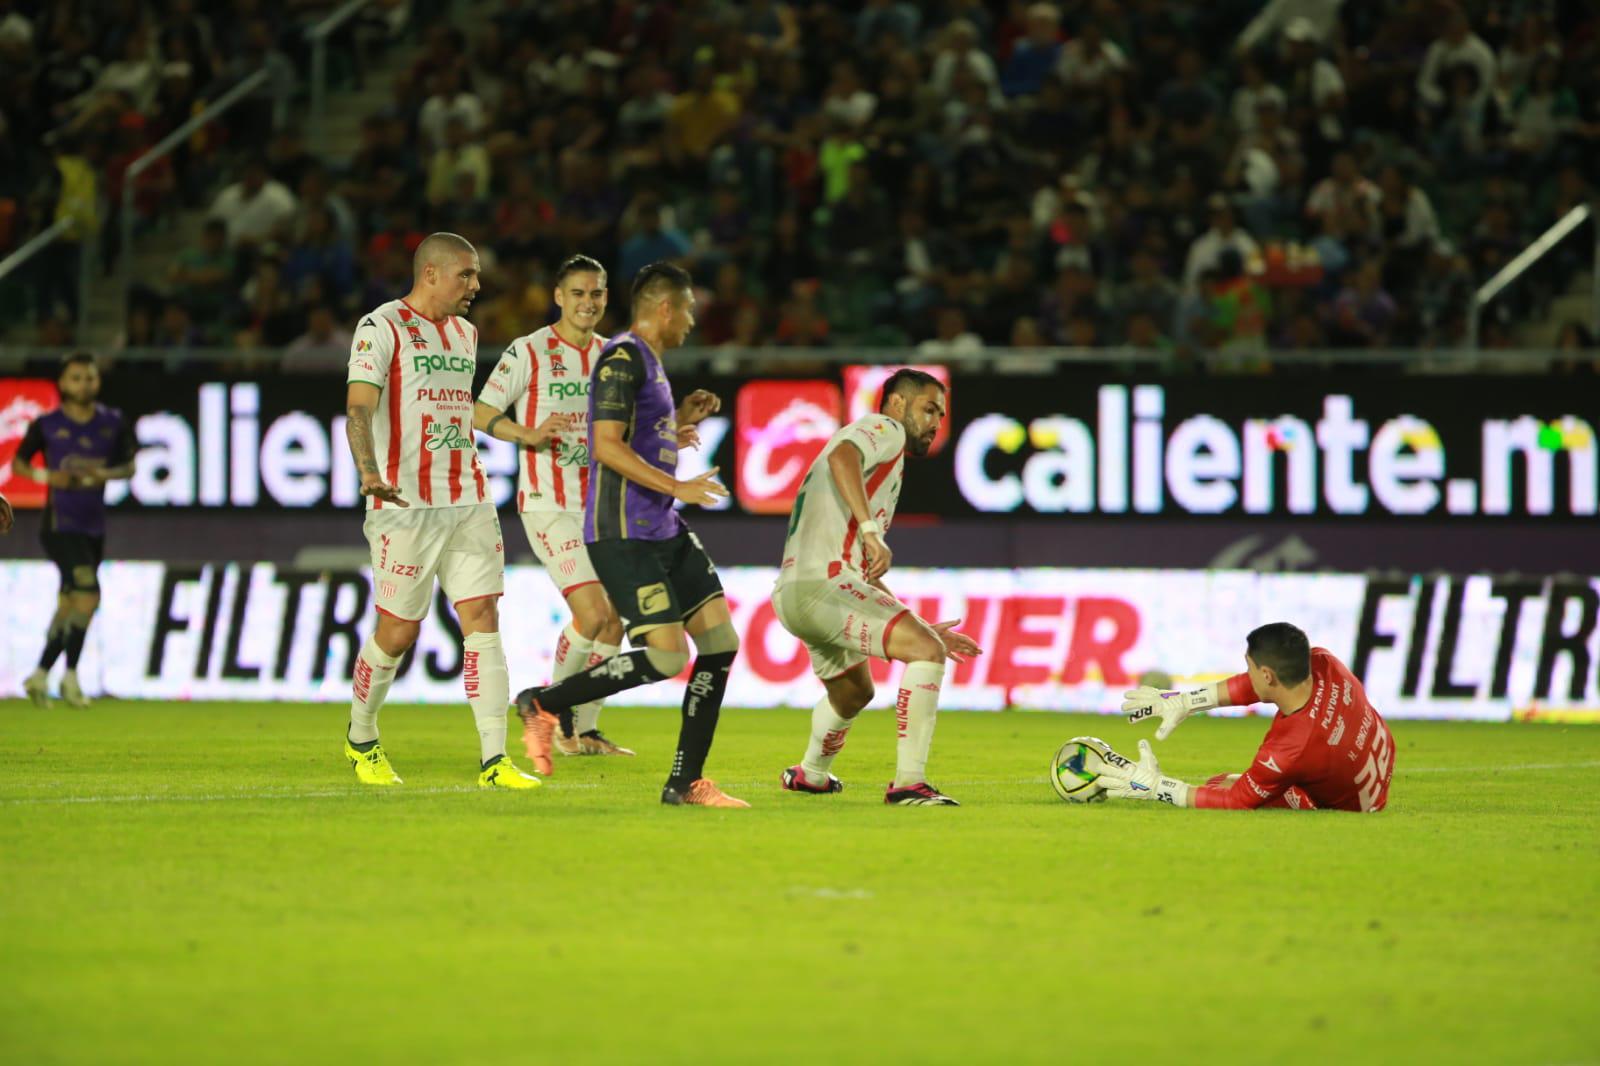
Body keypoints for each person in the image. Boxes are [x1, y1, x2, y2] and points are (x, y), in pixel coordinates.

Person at [513, 262, 744, 808]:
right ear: (665, 308)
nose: (691, 320)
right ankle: (543, 702)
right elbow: (606, 445)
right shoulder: (621, 358)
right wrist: (677, 485)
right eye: (688, 309)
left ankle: (685, 782)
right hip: (623, 532)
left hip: (663, 526)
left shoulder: (653, 365)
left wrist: (681, 416)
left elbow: (641, 434)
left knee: (720, 643)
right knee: (666, 658)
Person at [341, 232, 540, 790]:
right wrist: (367, 470)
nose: (477, 286)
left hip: (468, 496)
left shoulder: (466, 333)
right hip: (404, 504)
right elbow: (358, 408)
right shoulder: (380, 328)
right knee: (399, 631)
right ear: (431, 273)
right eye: (467, 275)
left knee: (482, 617)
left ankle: (495, 761)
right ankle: (361, 736)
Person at [773, 369, 982, 806]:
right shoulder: (883, 429)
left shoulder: (887, 464)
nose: (935, 423)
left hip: (797, 591)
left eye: (941, 415)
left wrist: (923, 627)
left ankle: (811, 773)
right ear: (898, 404)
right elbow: (841, 456)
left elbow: (865, 575)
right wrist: (871, 530)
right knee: (926, 654)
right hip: (824, 584)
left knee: (854, 693)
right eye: (928, 409)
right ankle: (910, 783)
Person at [473, 254, 633, 764]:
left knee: (616, 623)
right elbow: (479, 410)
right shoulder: (531, 350)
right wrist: (527, 434)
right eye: (579, 294)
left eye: (597, 294)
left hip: (600, 509)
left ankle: (584, 730)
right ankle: (550, 713)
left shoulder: (615, 357)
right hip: (549, 504)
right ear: (559, 297)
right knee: (593, 613)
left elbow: (631, 429)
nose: (589, 303)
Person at [1103, 622, 1396, 811]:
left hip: (1356, 803)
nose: (1248, 674)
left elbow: (1237, 800)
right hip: (1371, 767)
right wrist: (1185, 701)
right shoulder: (1325, 663)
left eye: (1251, 667)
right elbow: (1254, 687)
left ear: (1266, 674)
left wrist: (1157, 787)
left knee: (1220, 785)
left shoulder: (1289, 748)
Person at [13, 353, 137, 708]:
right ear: (63, 384)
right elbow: (20, 464)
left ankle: (39, 675)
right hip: (58, 525)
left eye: (90, 377)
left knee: (70, 605)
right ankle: (70, 678)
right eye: (77, 377)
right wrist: (48, 477)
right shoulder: (48, 424)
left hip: (93, 526)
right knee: (88, 593)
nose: (85, 384)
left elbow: (128, 467)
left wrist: (104, 475)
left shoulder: (112, 422)